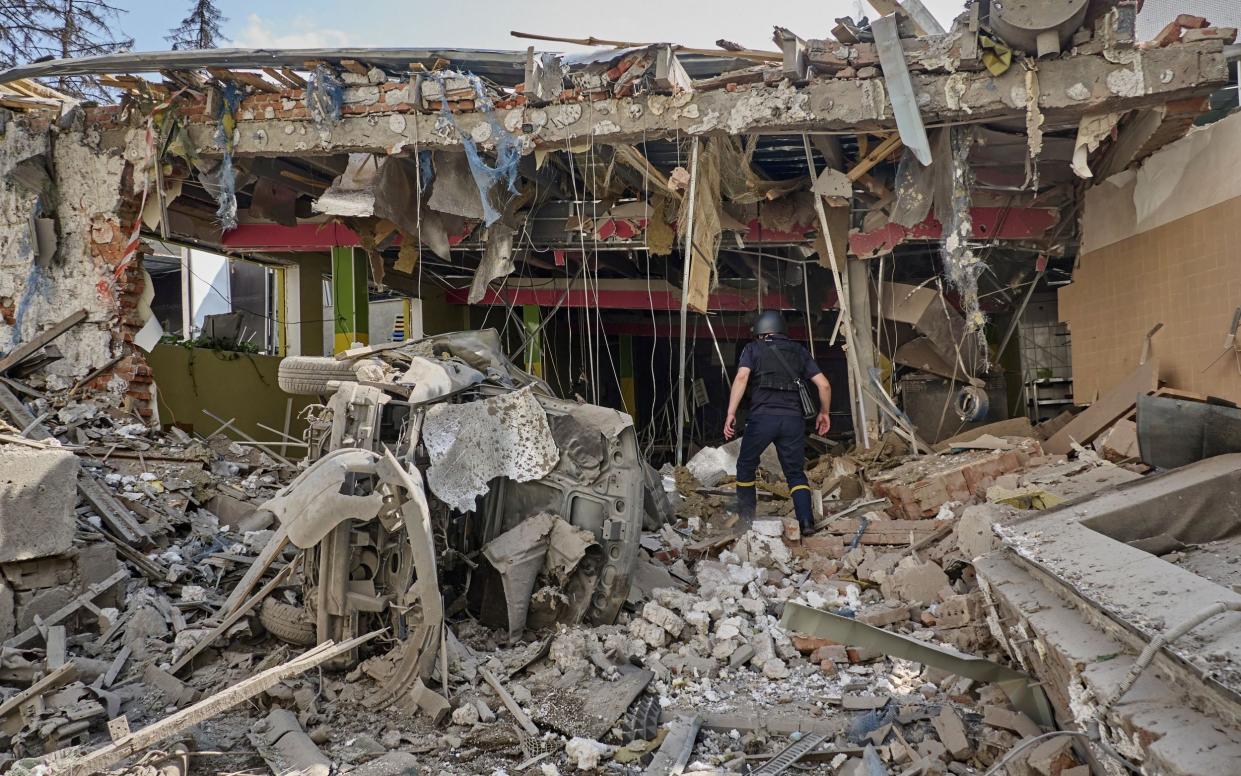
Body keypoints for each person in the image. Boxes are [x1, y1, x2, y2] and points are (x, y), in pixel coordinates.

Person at [723, 310, 831, 535]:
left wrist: (731, 412)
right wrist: (824, 413)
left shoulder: (753, 349)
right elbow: (824, 385)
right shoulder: (799, 351)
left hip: (762, 419)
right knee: (794, 472)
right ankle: (806, 522)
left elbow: (742, 377)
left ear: (761, 331)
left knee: (746, 466)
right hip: (793, 420)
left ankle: (746, 521)